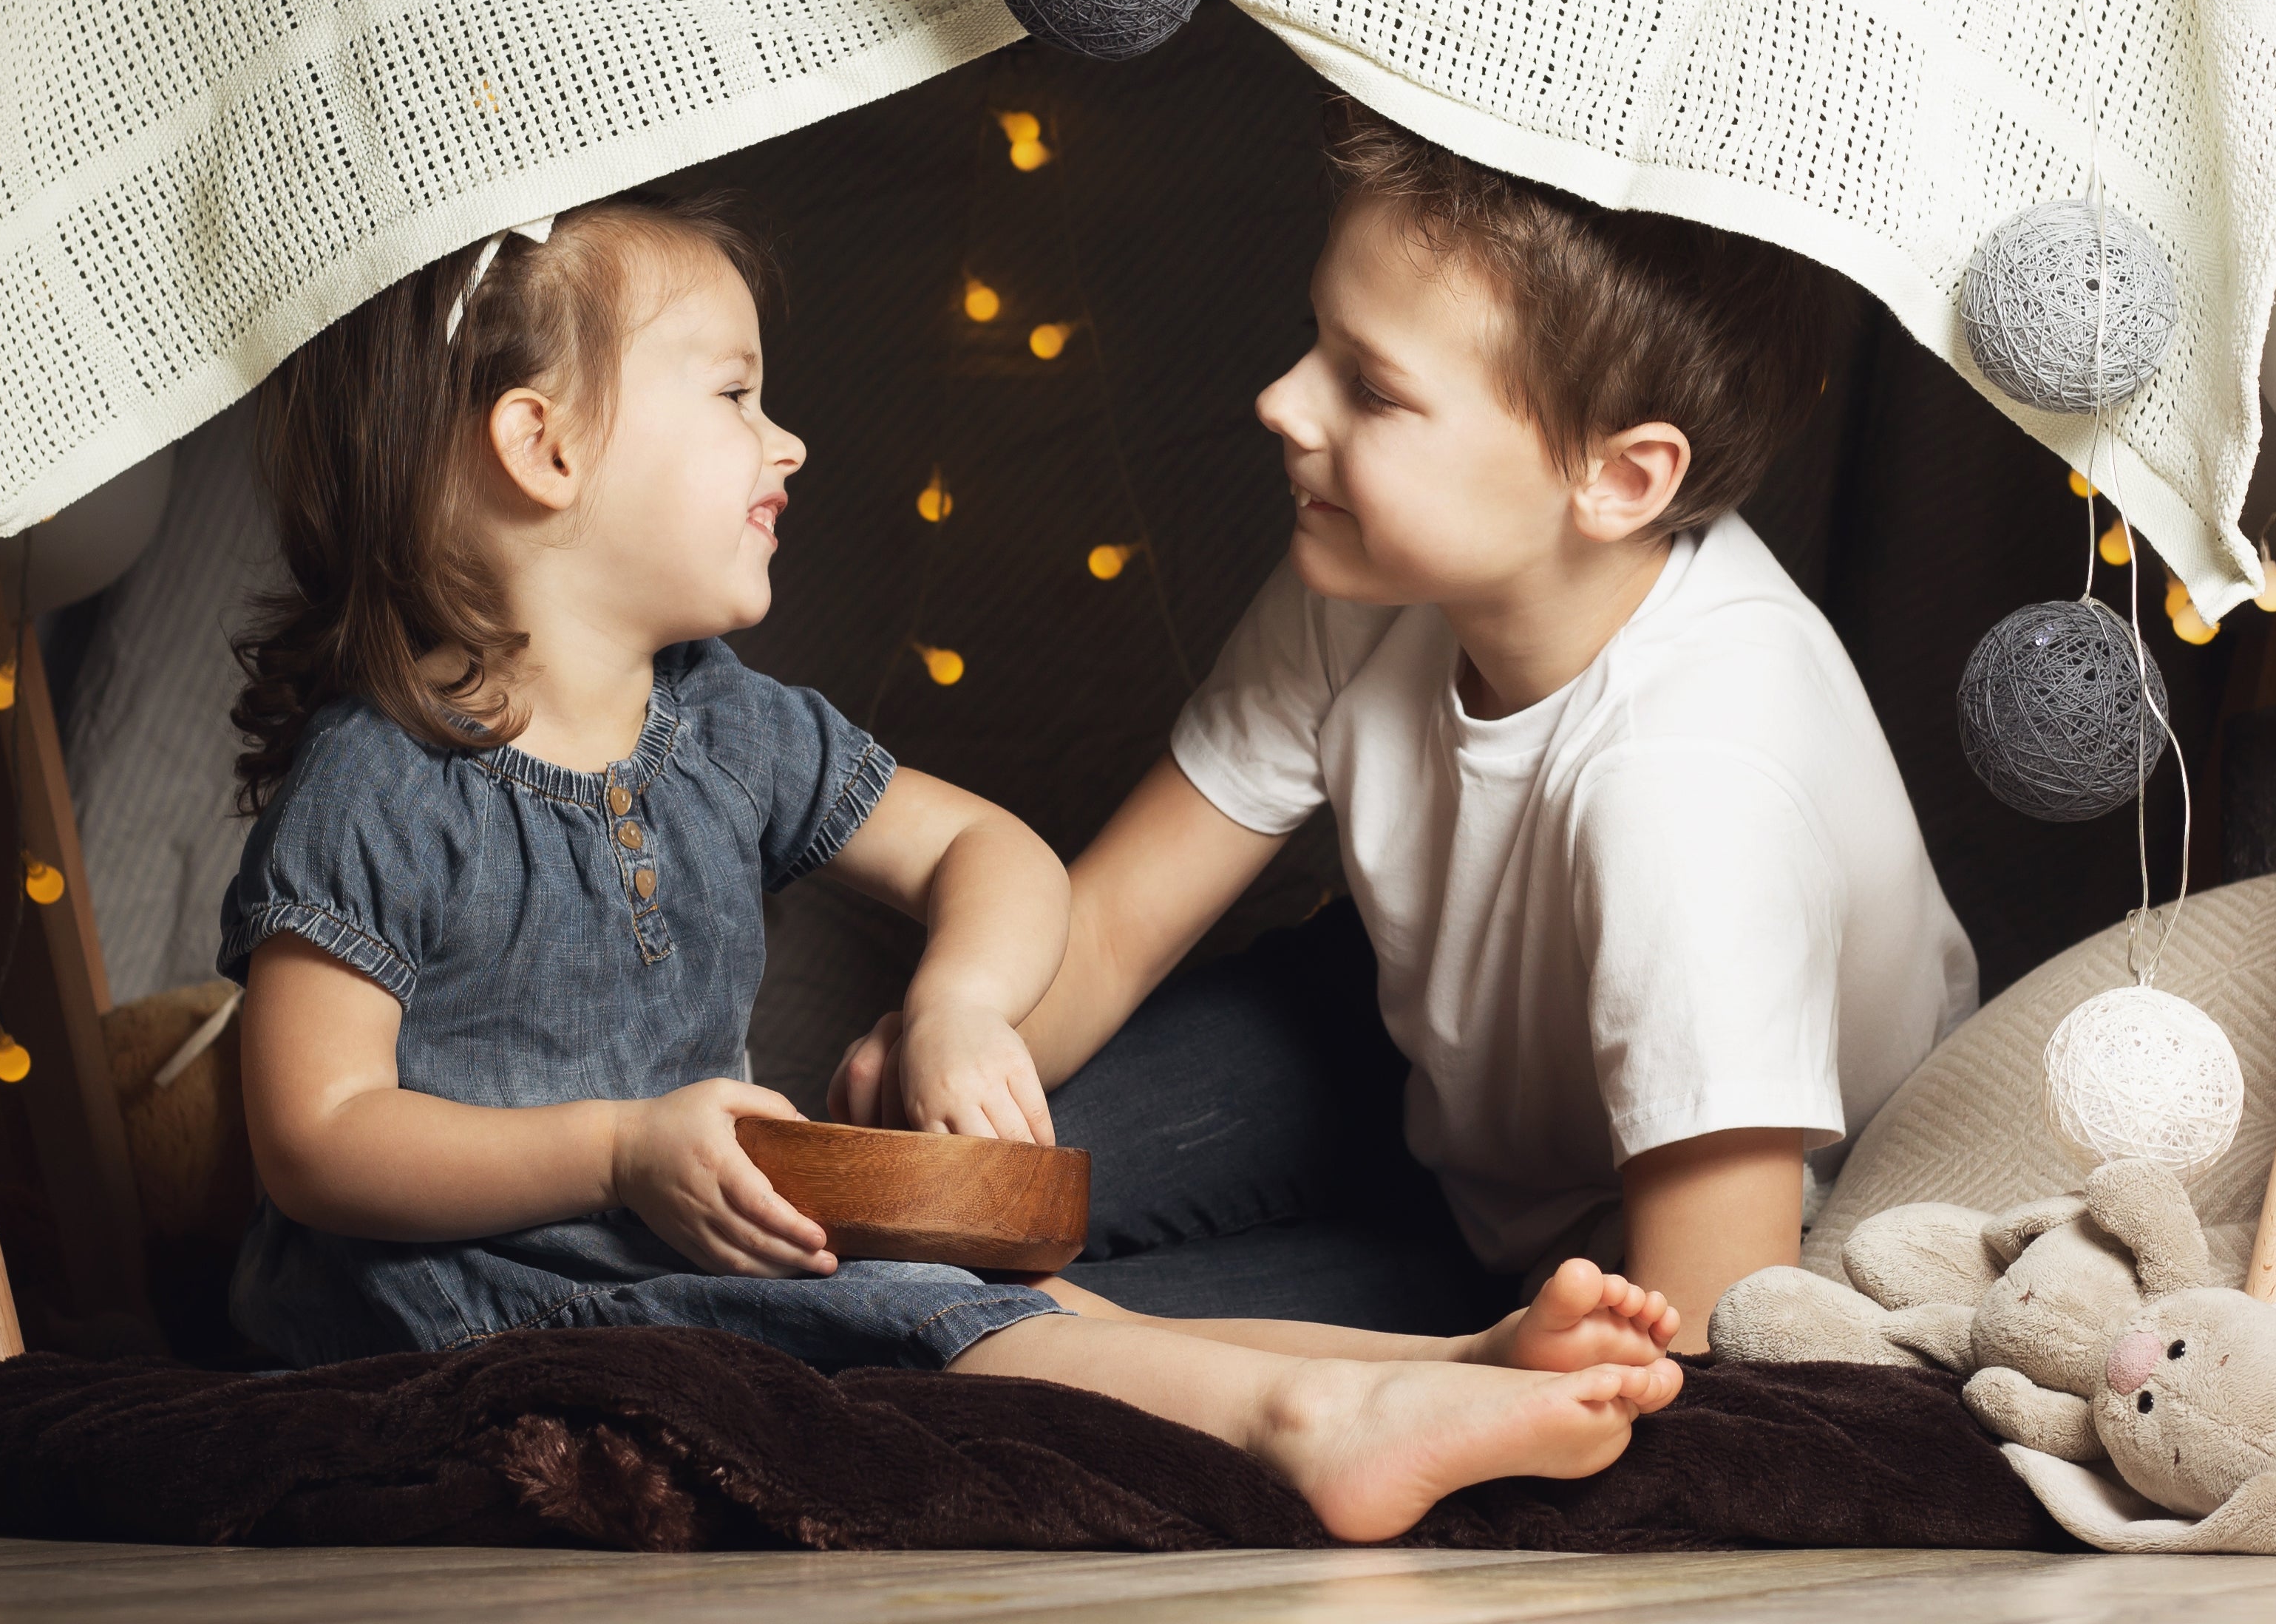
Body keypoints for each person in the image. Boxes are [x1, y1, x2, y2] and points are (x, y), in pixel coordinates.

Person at [217, 191, 1682, 1543]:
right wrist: (611, 1150)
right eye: (734, 394)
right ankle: (1305, 1420)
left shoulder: (726, 723)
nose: (785, 441)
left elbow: (994, 851)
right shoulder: (382, 776)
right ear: (545, 449)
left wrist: (963, 1004)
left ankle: (1440, 1361)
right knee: (915, 1320)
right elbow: (315, 1132)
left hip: (682, 1241)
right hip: (468, 1294)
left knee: (983, 1286)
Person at [835, 105, 1979, 1342]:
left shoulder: (1690, 788)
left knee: (938, 1336)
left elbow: (1711, 1327)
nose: (1282, 402)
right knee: (878, 1223)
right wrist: (951, 1048)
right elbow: (1109, 928)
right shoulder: (1381, 569)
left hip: (1632, 1250)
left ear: (1619, 479)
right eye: (1311, 341)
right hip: (1421, 1070)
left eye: (1370, 387)